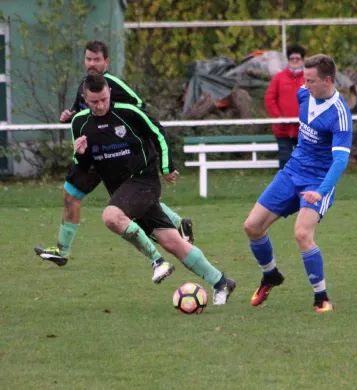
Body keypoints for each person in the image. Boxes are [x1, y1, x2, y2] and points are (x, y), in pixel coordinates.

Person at [70, 74, 235, 304]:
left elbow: (158, 132)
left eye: (104, 99)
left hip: (143, 181)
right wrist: (80, 154)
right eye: (94, 102)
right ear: (84, 99)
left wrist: (166, 167)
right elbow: (85, 167)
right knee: (173, 242)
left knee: (111, 217)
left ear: (109, 92)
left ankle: (158, 262)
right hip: (122, 192)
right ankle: (222, 282)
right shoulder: (79, 123)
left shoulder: (128, 112)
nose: (100, 106)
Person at [34, 40, 194, 267]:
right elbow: (82, 114)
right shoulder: (85, 86)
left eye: (97, 59)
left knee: (128, 200)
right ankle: (62, 251)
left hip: (118, 151)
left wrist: (117, 129)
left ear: (106, 62)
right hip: (92, 153)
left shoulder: (114, 84)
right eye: (88, 59)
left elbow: (139, 105)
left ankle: (176, 224)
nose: (92, 63)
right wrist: (69, 115)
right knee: (70, 195)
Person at [244, 54, 352, 312]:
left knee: (302, 233)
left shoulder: (340, 114)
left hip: (318, 180)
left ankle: (321, 297)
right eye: (305, 79)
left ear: (328, 80)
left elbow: (339, 161)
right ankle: (270, 275)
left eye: (311, 80)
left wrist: (322, 190)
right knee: (252, 227)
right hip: (292, 171)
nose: (306, 84)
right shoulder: (305, 94)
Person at [264, 45, 306, 168]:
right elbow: (269, 98)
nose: (294, 61)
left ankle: (305, 187)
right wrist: (278, 118)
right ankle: (285, 187)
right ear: (288, 60)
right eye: (292, 58)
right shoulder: (278, 78)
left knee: (305, 162)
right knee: (285, 161)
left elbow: (316, 99)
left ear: (302, 60)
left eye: (297, 58)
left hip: (304, 129)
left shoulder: (308, 79)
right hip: (283, 130)